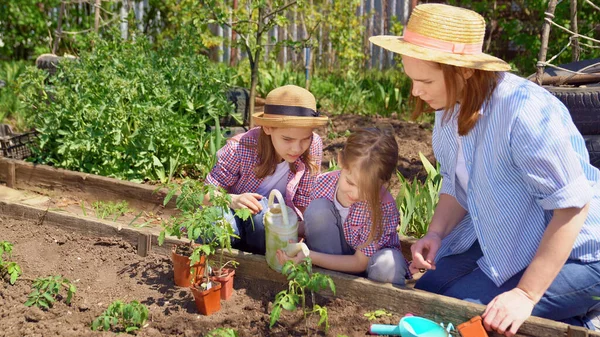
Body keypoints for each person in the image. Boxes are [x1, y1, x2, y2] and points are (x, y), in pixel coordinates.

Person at [370, 3, 600, 336]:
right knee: (430, 297)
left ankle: (587, 316)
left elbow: (572, 207)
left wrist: (525, 295)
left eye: (424, 81)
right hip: (519, 236)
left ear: (462, 70)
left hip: (581, 249)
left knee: (471, 322)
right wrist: (435, 233)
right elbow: (458, 182)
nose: (415, 91)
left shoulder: (524, 112)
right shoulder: (450, 104)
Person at [277, 127, 409, 285]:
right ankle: (331, 280)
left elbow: (360, 262)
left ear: (383, 182)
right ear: (341, 161)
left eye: (368, 189)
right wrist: (287, 228)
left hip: (369, 263)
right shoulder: (323, 184)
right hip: (332, 253)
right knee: (318, 210)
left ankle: (374, 298)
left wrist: (309, 256)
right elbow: (316, 225)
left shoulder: (382, 207)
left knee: (387, 266)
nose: (356, 194)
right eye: (350, 182)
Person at [204, 85, 327, 254]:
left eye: (305, 139)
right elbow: (205, 194)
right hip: (236, 215)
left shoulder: (313, 145)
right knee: (216, 226)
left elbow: (303, 202)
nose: (297, 148)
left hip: (273, 223)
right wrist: (232, 200)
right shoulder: (241, 148)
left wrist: (296, 231)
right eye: (287, 139)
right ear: (268, 128)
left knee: (263, 218)